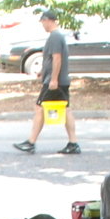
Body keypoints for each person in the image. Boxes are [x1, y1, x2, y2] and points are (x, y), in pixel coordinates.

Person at [18, 11, 78, 155]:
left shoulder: (55, 37)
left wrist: (53, 79)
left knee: (39, 108)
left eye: (43, 22)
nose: (43, 25)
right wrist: (43, 71)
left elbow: (57, 59)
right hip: (57, 80)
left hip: (54, 82)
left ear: (48, 20)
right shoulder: (56, 37)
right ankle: (73, 143)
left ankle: (31, 142)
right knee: (65, 110)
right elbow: (51, 60)